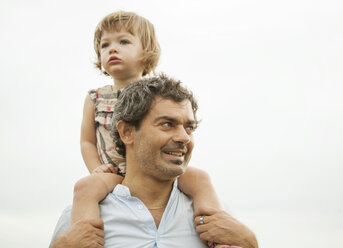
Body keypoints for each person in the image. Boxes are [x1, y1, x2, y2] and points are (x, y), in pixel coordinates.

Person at [50, 75, 258, 248]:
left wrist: (251, 244)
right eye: (167, 124)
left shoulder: (218, 216)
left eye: (189, 128)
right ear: (127, 132)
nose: (184, 137)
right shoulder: (78, 218)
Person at [72, 9, 222, 244]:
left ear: (146, 53)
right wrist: (96, 170)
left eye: (124, 41)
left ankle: (216, 230)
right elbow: (87, 141)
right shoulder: (95, 98)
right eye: (104, 45)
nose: (112, 49)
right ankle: (84, 237)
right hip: (114, 172)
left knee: (200, 179)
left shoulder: (157, 95)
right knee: (84, 189)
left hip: (155, 170)